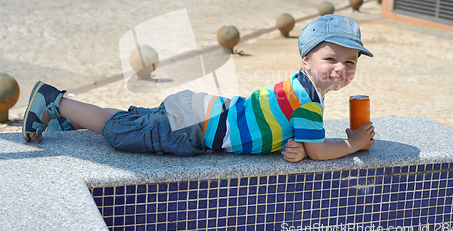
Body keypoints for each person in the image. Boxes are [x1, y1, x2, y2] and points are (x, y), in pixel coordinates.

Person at [22, 14, 375, 163]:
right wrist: (353, 143)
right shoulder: (309, 103)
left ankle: (69, 119)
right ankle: (56, 102)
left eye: (350, 63)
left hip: (202, 110)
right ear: (307, 62)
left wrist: (292, 144)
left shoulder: (298, 89)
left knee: (138, 121)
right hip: (195, 128)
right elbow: (317, 152)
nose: (340, 69)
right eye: (331, 59)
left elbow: (277, 126)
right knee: (121, 134)